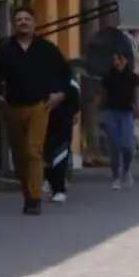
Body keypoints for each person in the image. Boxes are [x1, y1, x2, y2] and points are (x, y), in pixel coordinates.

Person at [0, 5, 71, 215]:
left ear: (34, 23)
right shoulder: (6, 50)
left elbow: (65, 75)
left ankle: (34, 199)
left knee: (33, 151)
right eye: (18, 20)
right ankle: (28, 192)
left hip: (39, 106)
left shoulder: (47, 50)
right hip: (13, 108)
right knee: (19, 155)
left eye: (26, 19)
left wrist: (60, 94)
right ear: (13, 24)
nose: (23, 22)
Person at [100, 50, 139, 190]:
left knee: (127, 146)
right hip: (111, 113)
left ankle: (125, 170)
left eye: (120, 59)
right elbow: (102, 96)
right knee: (114, 146)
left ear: (126, 60)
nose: (117, 62)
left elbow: (137, 98)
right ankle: (116, 176)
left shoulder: (132, 77)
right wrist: (99, 113)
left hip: (126, 113)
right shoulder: (107, 77)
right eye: (114, 60)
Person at [44, 68, 82, 203]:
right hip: (42, 118)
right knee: (46, 152)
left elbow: (74, 91)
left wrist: (76, 110)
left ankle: (59, 188)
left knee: (61, 152)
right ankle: (49, 180)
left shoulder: (66, 73)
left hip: (63, 117)